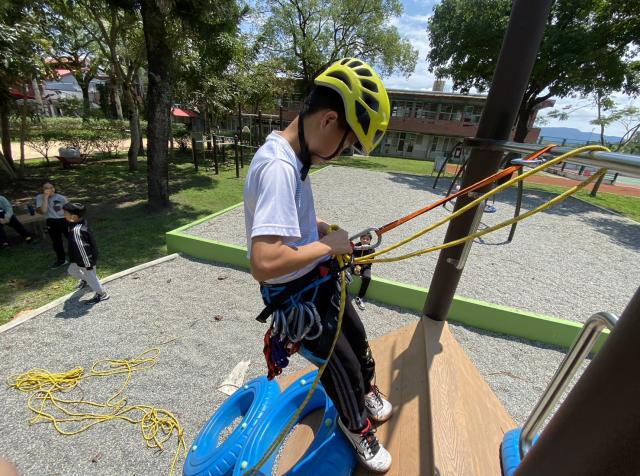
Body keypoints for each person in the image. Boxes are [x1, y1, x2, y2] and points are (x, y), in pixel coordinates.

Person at [244, 58, 393, 472]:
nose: (340, 154)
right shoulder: (279, 167)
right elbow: (265, 261)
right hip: (296, 295)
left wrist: (318, 228)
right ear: (329, 120)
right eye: (346, 144)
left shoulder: (293, 157)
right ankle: (356, 425)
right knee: (338, 364)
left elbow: (286, 221)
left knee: (356, 337)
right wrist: (328, 246)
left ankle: (367, 392)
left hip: (314, 279)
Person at [62, 202, 109, 304]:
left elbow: (82, 248)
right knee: (72, 270)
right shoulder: (75, 223)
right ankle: (85, 280)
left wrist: (87, 264)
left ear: (74, 217)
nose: (63, 214)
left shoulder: (77, 231)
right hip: (77, 258)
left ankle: (102, 294)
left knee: (92, 278)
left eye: (65, 213)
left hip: (86, 260)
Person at [35, 180, 68, 268]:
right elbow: (43, 211)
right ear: (42, 189)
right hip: (51, 221)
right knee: (56, 242)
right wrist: (45, 197)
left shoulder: (61, 198)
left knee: (72, 238)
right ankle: (61, 260)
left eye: (51, 187)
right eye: (46, 188)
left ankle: (80, 255)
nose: (49, 190)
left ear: (54, 188)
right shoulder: (39, 197)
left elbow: (68, 210)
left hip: (63, 220)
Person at [352, 232, 374, 311]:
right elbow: (351, 257)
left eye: (367, 239)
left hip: (365, 267)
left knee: (367, 278)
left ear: (370, 241)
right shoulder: (355, 246)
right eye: (363, 238)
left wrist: (361, 267)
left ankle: (360, 297)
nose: (365, 240)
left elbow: (369, 263)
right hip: (354, 265)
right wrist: (355, 266)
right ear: (360, 239)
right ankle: (341, 292)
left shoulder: (372, 249)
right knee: (345, 272)